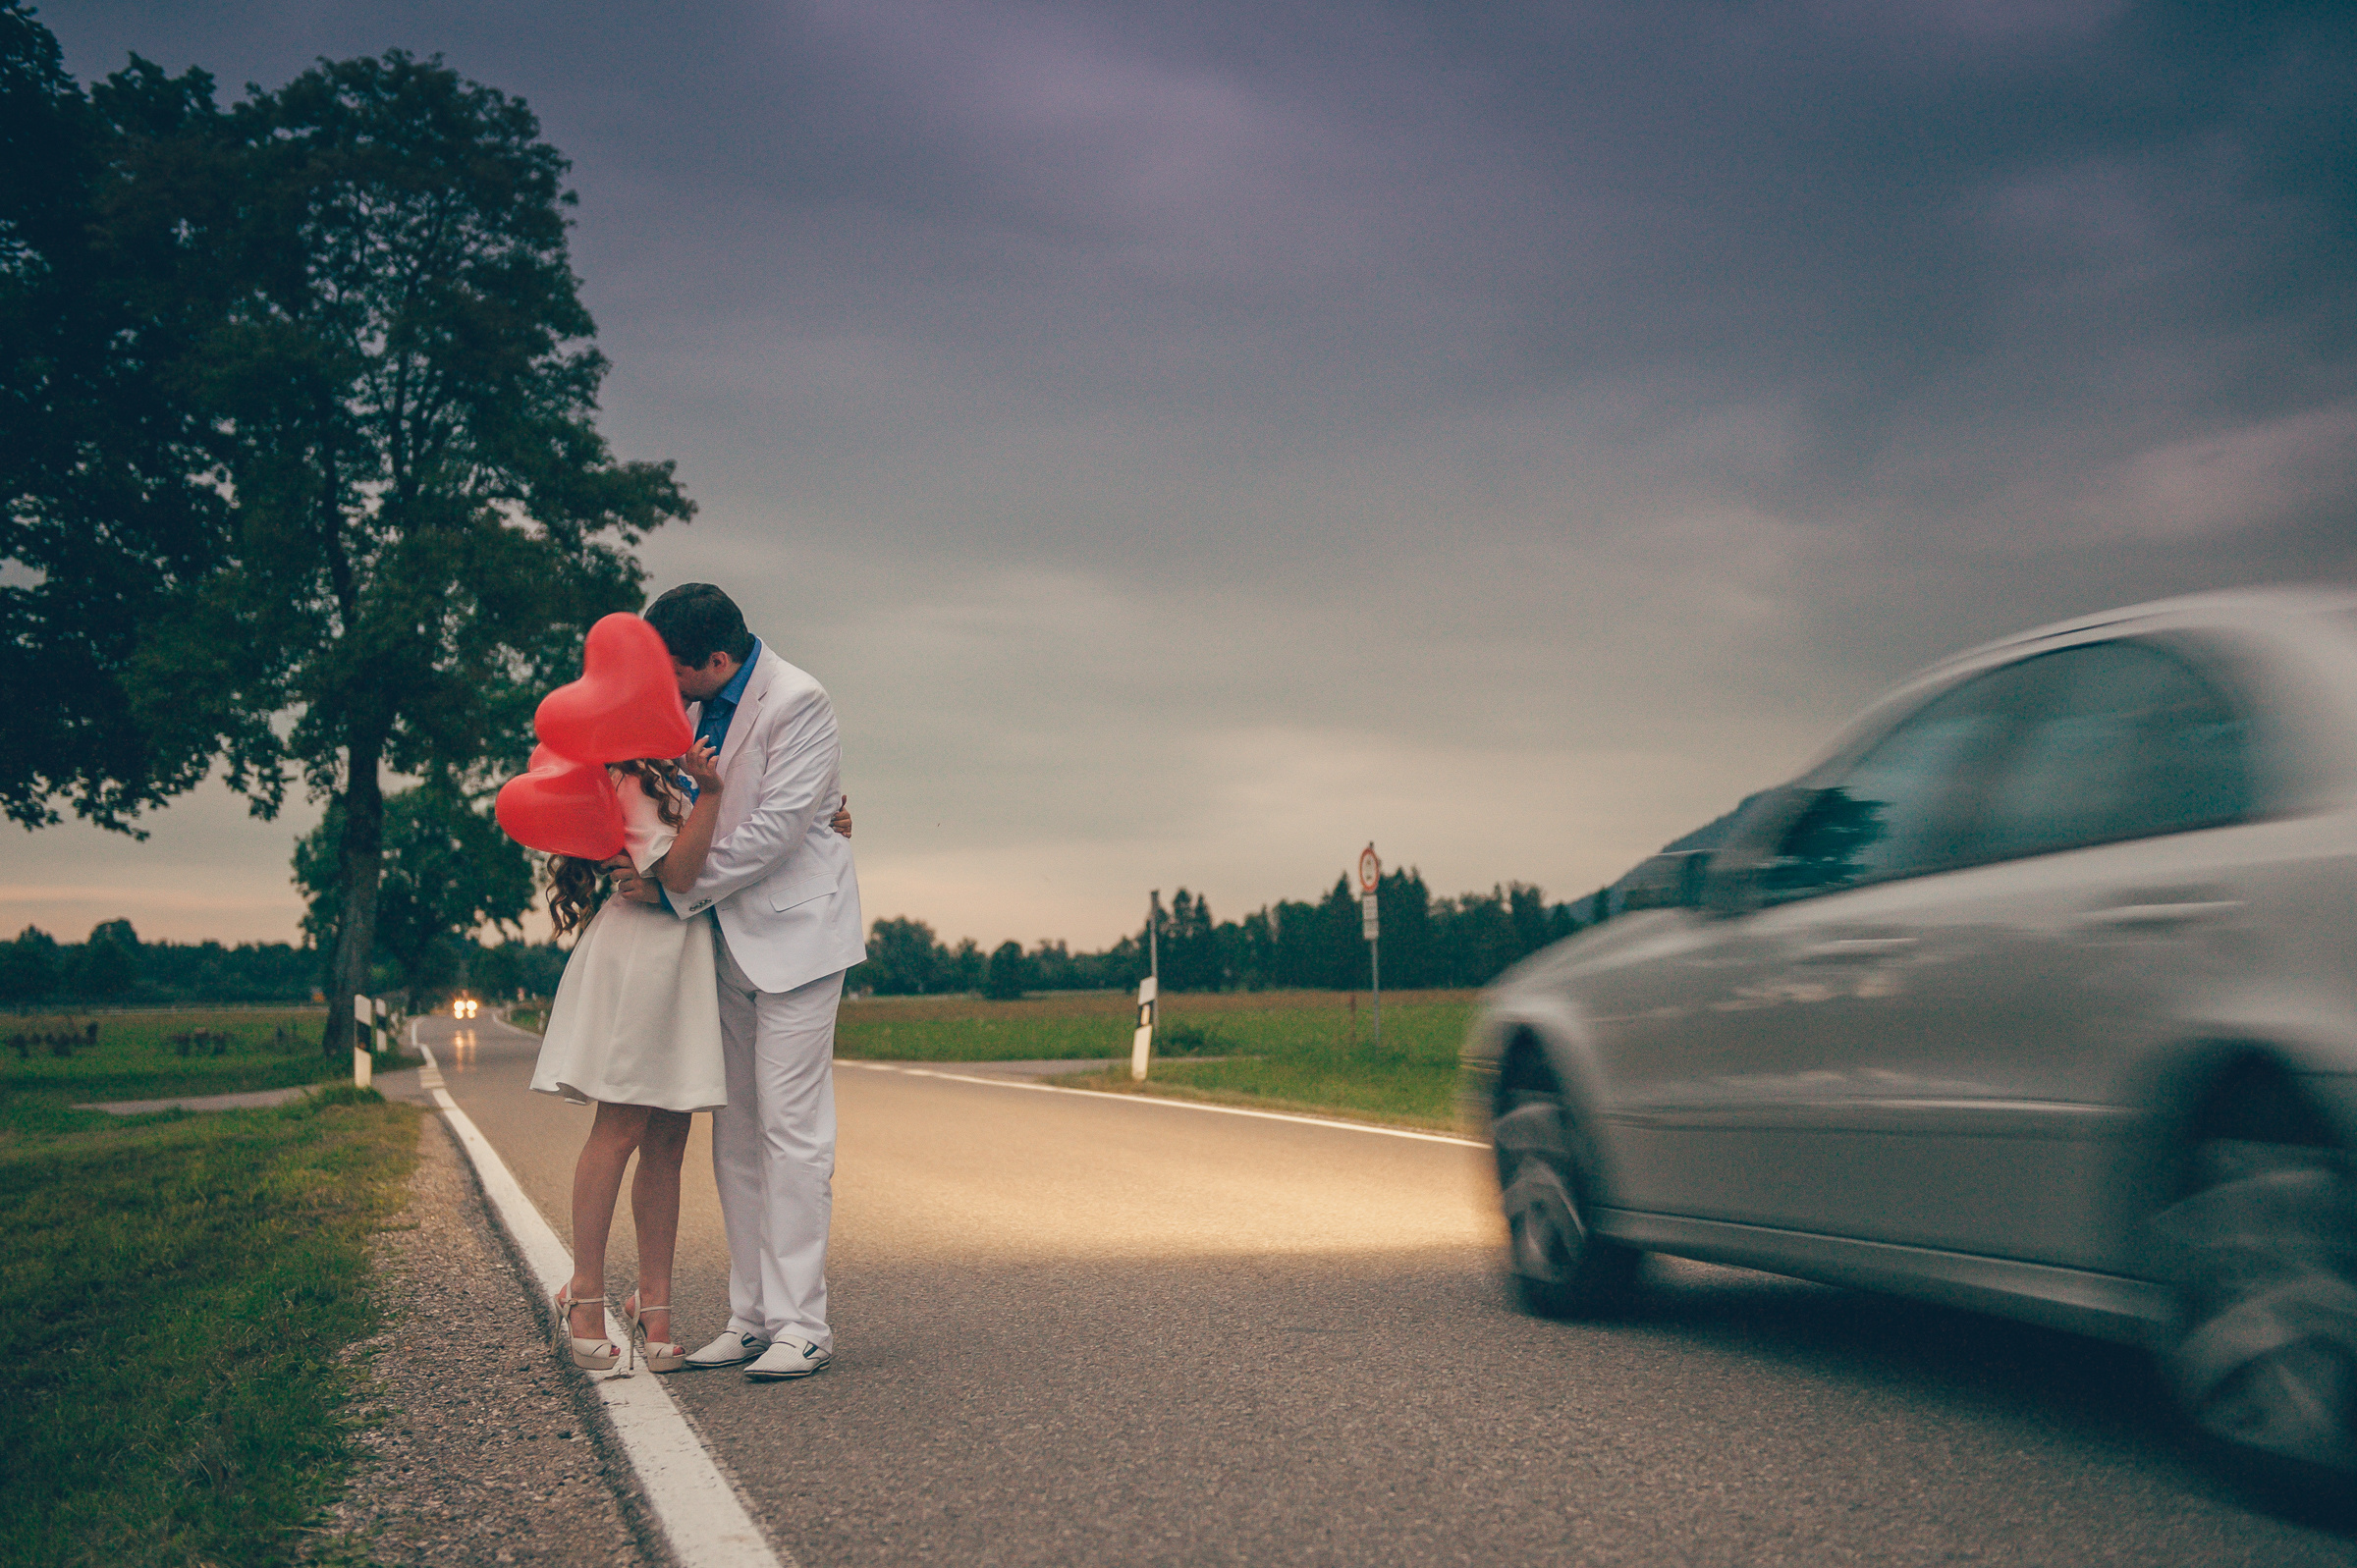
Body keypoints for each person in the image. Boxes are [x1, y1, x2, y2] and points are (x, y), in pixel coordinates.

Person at [611, 583, 865, 1381]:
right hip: (721, 942)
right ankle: (751, 1317)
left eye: (675, 668)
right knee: (738, 1133)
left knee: (792, 1131)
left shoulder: (799, 702)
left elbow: (773, 833)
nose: (667, 684)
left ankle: (803, 1324)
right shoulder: (687, 704)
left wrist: (670, 885)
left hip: (797, 939)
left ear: (716, 658)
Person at [533, 743, 728, 1374]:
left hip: (684, 954)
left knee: (669, 1140)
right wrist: (712, 795)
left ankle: (655, 1306)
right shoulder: (626, 777)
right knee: (619, 1129)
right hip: (643, 954)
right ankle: (584, 1295)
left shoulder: (669, 769)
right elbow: (682, 875)